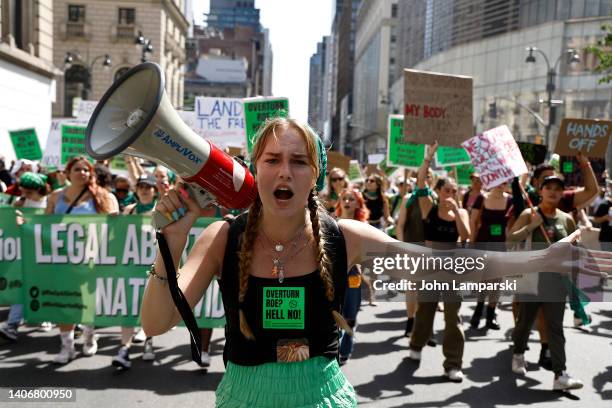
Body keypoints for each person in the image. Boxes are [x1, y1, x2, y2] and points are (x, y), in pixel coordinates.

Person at [141, 119, 607, 406]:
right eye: (273, 159)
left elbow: (445, 266)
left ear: (315, 176)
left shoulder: (346, 236)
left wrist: (544, 256)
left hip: (323, 400)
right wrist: (173, 240)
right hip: (243, 400)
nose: (285, 171)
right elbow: (157, 324)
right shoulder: (222, 236)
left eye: (299, 161)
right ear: (254, 169)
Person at [508, 176, 584, 391]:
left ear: (562, 194)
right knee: (524, 322)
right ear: (540, 191)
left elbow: (574, 249)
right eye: (548, 187)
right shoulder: (528, 214)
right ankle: (518, 354)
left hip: (555, 283)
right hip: (531, 279)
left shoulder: (566, 219)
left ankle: (560, 374)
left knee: (555, 328)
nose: (553, 192)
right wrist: (531, 226)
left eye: (557, 189)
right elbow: (510, 239)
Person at [407, 142, 470, 382]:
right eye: (447, 191)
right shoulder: (428, 207)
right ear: (439, 191)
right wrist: (428, 158)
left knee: (453, 317)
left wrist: (456, 213)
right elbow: (420, 184)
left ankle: (453, 364)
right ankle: (416, 343)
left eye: (454, 192)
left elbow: (465, 236)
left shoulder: (461, 212)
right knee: (426, 311)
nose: (451, 195)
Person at [45, 156, 117, 364]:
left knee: (86, 303)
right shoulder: (55, 197)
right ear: (67, 173)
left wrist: (114, 219)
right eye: (78, 169)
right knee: (65, 302)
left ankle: (89, 338)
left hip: (90, 262)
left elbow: (116, 224)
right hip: (62, 261)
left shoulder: (102, 196)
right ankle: (67, 347)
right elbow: (43, 224)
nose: (83, 173)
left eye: (87, 170)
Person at [112, 174, 158, 369]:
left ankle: (149, 341)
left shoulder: (162, 209)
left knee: (150, 307)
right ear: (136, 189)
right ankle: (124, 349)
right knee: (127, 308)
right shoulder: (129, 210)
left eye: (149, 186)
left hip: (152, 268)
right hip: (130, 267)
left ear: (155, 190)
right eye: (141, 186)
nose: (145, 189)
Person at [0, 172, 50, 342]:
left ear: (39, 190)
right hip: (26, 253)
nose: (25, 195)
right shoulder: (21, 202)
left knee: (44, 286)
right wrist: (16, 207)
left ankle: (46, 318)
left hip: (45, 254)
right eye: (23, 191)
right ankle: (12, 325)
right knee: (22, 287)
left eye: (29, 192)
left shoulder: (49, 204)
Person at [468, 182, 512, 330]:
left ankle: (490, 315)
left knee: (497, 281)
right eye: (498, 181)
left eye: (505, 182)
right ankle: (478, 310)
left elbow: (513, 224)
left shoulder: (511, 200)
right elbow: (473, 221)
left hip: (501, 246)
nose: (501, 184)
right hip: (483, 244)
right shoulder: (482, 198)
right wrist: (471, 243)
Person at [335, 187, 369, 365]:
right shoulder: (331, 222)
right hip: (334, 274)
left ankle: (346, 349)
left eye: (351, 199)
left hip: (354, 276)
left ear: (358, 203)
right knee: (334, 313)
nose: (347, 202)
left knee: (350, 315)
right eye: (344, 198)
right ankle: (335, 346)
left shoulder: (363, 226)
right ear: (339, 202)